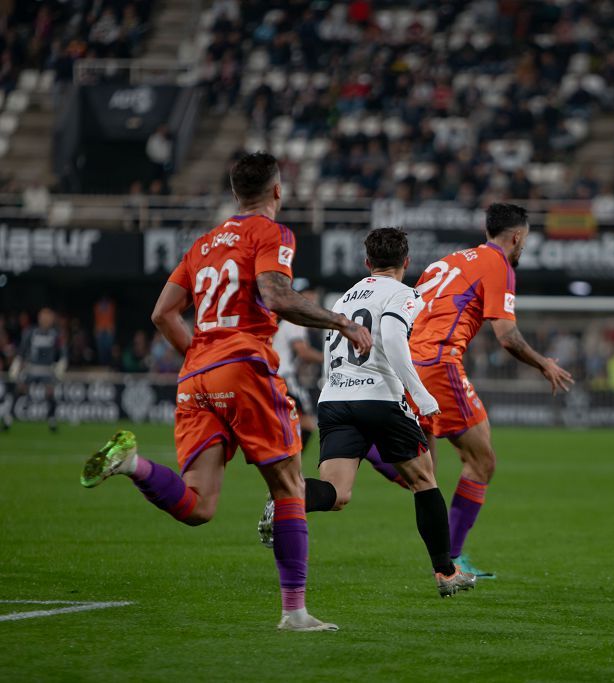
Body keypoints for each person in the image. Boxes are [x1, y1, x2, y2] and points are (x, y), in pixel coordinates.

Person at [78, 152, 372, 632]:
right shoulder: (271, 233)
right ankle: (294, 612)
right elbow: (276, 296)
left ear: (236, 194)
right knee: (289, 488)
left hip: (197, 375)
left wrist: (200, 355)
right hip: (243, 367)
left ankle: (131, 463)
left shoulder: (204, 243)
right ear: (278, 191)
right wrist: (340, 320)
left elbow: (162, 314)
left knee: (198, 505)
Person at [258, 227, 476, 598]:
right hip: (381, 398)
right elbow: (391, 336)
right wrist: (421, 395)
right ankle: (445, 572)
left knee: (337, 493)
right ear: (405, 263)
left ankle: (286, 499)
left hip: (335, 398)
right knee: (424, 481)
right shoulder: (403, 293)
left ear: (367, 263)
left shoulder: (343, 299)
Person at [407, 203, 574, 578]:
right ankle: (452, 557)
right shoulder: (499, 263)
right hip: (438, 363)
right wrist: (544, 363)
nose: (522, 247)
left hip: (407, 362)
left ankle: (367, 446)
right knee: (482, 462)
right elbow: (507, 336)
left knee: (425, 465)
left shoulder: (447, 261)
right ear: (516, 237)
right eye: (524, 240)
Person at [272, 278, 324, 452]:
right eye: (306, 294)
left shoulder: (282, 319)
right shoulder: (294, 320)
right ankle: (289, 465)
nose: (312, 297)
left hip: (273, 376)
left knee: (286, 423)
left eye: (311, 292)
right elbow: (303, 351)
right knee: (307, 424)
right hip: (284, 377)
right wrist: (331, 358)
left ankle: (286, 464)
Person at [5, 308, 66, 432]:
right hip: (31, 368)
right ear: (39, 318)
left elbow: (61, 353)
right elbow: (22, 350)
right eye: (43, 317)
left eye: (48, 318)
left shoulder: (55, 334)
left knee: (51, 393)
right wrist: (16, 366)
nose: (45, 320)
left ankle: (52, 421)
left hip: (46, 369)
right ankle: (8, 419)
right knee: (19, 390)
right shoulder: (31, 332)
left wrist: (60, 365)